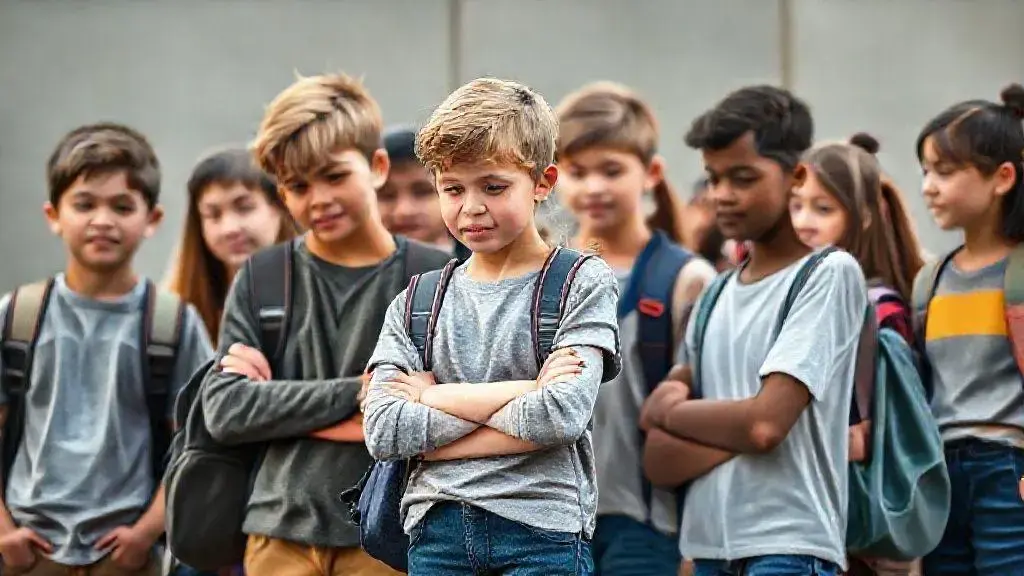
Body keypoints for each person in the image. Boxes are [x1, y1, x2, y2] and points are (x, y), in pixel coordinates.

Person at [363, 77, 621, 576]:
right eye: (452, 189)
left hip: (541, 533)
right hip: (435, 532)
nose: (472, 207)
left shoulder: (580, 281)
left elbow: (559, 417)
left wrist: (428, 399)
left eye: (494, 187)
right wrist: (528, 388)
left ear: (543, 182)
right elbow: (384, 429)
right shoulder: (417, 300)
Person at [198, 72, 450, 576]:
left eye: (334, 176)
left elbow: (441, 414)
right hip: (275, 533)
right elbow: (225, 411)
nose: (317, 199)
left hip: (393, 532)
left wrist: (282, 405)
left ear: (377, 166)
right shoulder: (264, 277)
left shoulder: (433, 277)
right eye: (297, 186)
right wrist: (359, 394)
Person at [641, 86, 867, 576]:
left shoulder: (827, 274)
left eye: (743, 178)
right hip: (706, 551)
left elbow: (765, 425)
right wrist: (740, 426)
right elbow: (657, 457)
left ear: (797, 176)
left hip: (788, 546)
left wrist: (677, 411)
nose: (722, 194)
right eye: (713, 178)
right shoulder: (715, 293)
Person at [0, 123, 213, 576]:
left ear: (151, 219)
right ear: (53, 214)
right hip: (28, 553)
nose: (102, 220)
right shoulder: (17, 315)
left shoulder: (171, 323)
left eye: (122, 206)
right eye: (84, 204)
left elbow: (197, 444)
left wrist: (146, 534)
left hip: (127, 557)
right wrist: (4, 534)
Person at [555, 81, 716, 575]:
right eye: (577, 172)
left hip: (648, 519)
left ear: (651, 173)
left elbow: (706, 404)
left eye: (612, 170)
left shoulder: (687, 279)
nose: (594, 188)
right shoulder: (540, 270)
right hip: (548, 516)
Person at [791, 133, 927, 576]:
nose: (804, 222)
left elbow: (894, 425)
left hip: (862, 519)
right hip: (807, 510)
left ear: (865, 217)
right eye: (796, 205)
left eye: (823, 209)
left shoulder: (879, 306)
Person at [914, 83, 1024, 575]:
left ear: (1002, 177)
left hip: (1009, 472)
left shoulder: (1018, 272)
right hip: (942, 476)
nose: (928, 187)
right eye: (925, 171)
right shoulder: (929, 280)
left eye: (945, 171)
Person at [166, 147, 297, 343]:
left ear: (278, 206)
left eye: (244, 208)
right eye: (213, 214)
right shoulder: (174, 321)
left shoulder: (318, 297)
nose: (229, 229)